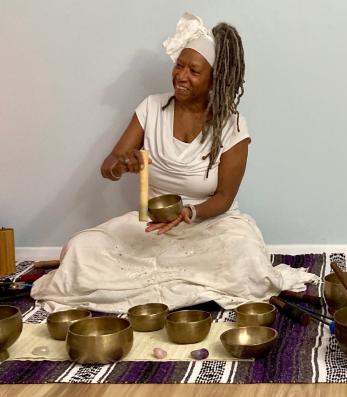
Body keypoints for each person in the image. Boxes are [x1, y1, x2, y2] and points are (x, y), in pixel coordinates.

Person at [31, 13, 318, 313]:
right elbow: (109, 165)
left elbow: (223, 198)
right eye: (179, 65)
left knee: (245, 257)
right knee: (79, 250)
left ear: (214, 79)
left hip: (211, 225)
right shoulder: (151, 108)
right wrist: (121, 164)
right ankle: (185, 289)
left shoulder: (232, 127)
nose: (181, 76)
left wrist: (189, 212)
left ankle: (165, 287)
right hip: (153, 227)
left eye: (194, 70)